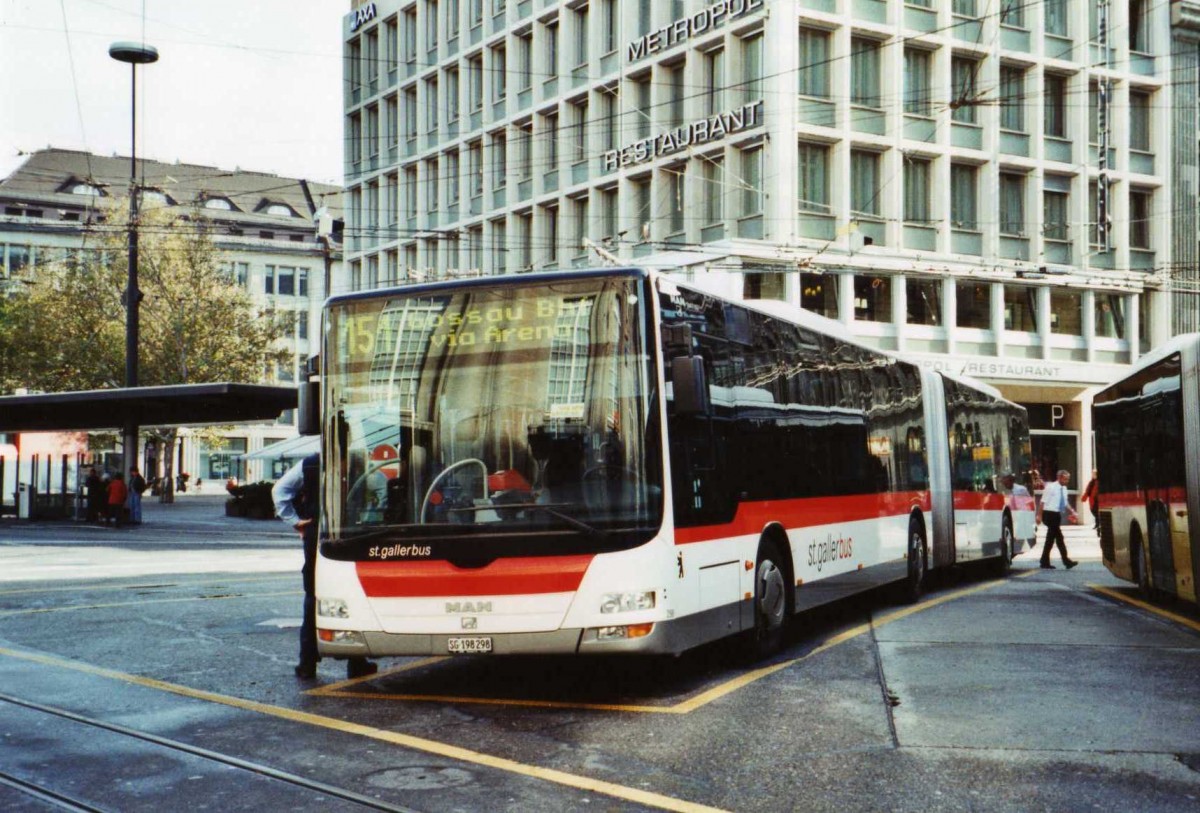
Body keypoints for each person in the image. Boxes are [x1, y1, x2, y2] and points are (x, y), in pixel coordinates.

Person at [273, 453, 377, 681]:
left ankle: (307, 664)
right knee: (350, 593)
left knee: (313, 595)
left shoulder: (310, 463)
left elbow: (280, 491)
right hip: (351, 532)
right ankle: (356, 660)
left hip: (317, 533)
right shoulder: (359, 460)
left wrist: (295, 521)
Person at [1038, 469, 1078, 570]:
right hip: (1048, 514)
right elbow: (1042, 502)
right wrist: (1039, 516)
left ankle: (1044, 561)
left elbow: (1065, 502)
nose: (1067, 481)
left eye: (1068, 479)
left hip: (1056, 515)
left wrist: (1072, 511)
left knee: (1050, 540)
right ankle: (1066, 561)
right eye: (1065, 479)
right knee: (1059, 538)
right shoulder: (1050, 487)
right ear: (1059, 477)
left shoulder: (1064, 489)